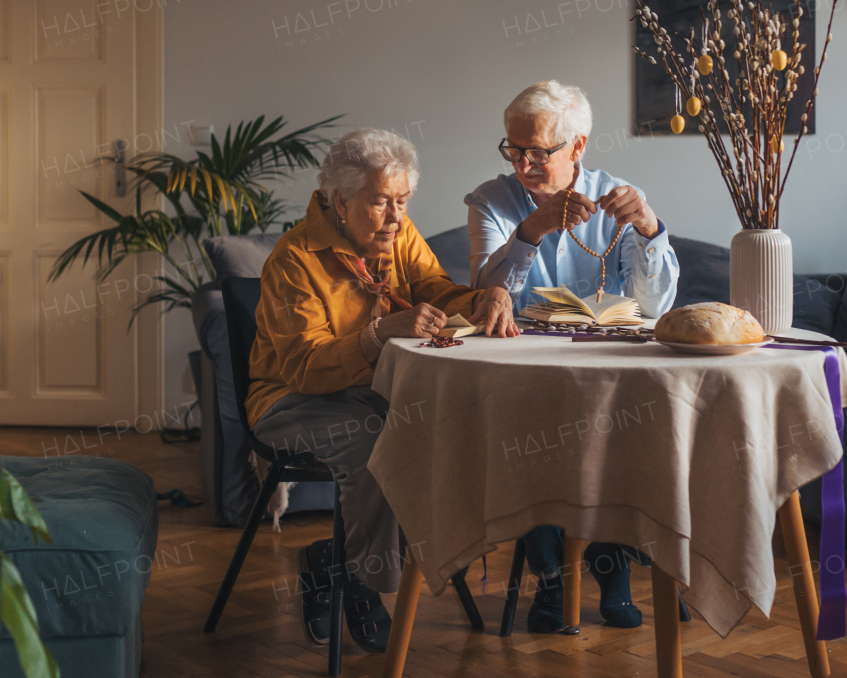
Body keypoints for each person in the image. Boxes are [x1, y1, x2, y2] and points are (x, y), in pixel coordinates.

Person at [248, 128, 519, 653]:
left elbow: (435, 289)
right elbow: (304, 367)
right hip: (287, 401)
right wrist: (377, 335)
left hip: (367, 391)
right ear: (340, 202)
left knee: (438, 421)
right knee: (377, 438)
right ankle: (365, 586)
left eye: (402, 201)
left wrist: (488, 295)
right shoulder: (292, 262)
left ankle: (332, 559)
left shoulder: (398, 234)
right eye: (382, 203)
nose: (396, 217)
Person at [465, 80, 680, 633]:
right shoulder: (492, 201)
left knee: (619, 434)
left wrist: (650, 228)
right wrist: (531, 230)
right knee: (516, 439)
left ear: (578, 147)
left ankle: (612, 575)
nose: (524, 162)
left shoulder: (618, 195)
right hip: (525, 373)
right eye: (515, 149)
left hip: (609, 374)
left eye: (540, 150)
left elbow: (654, 307)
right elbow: (483, 296)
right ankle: (553, 579)